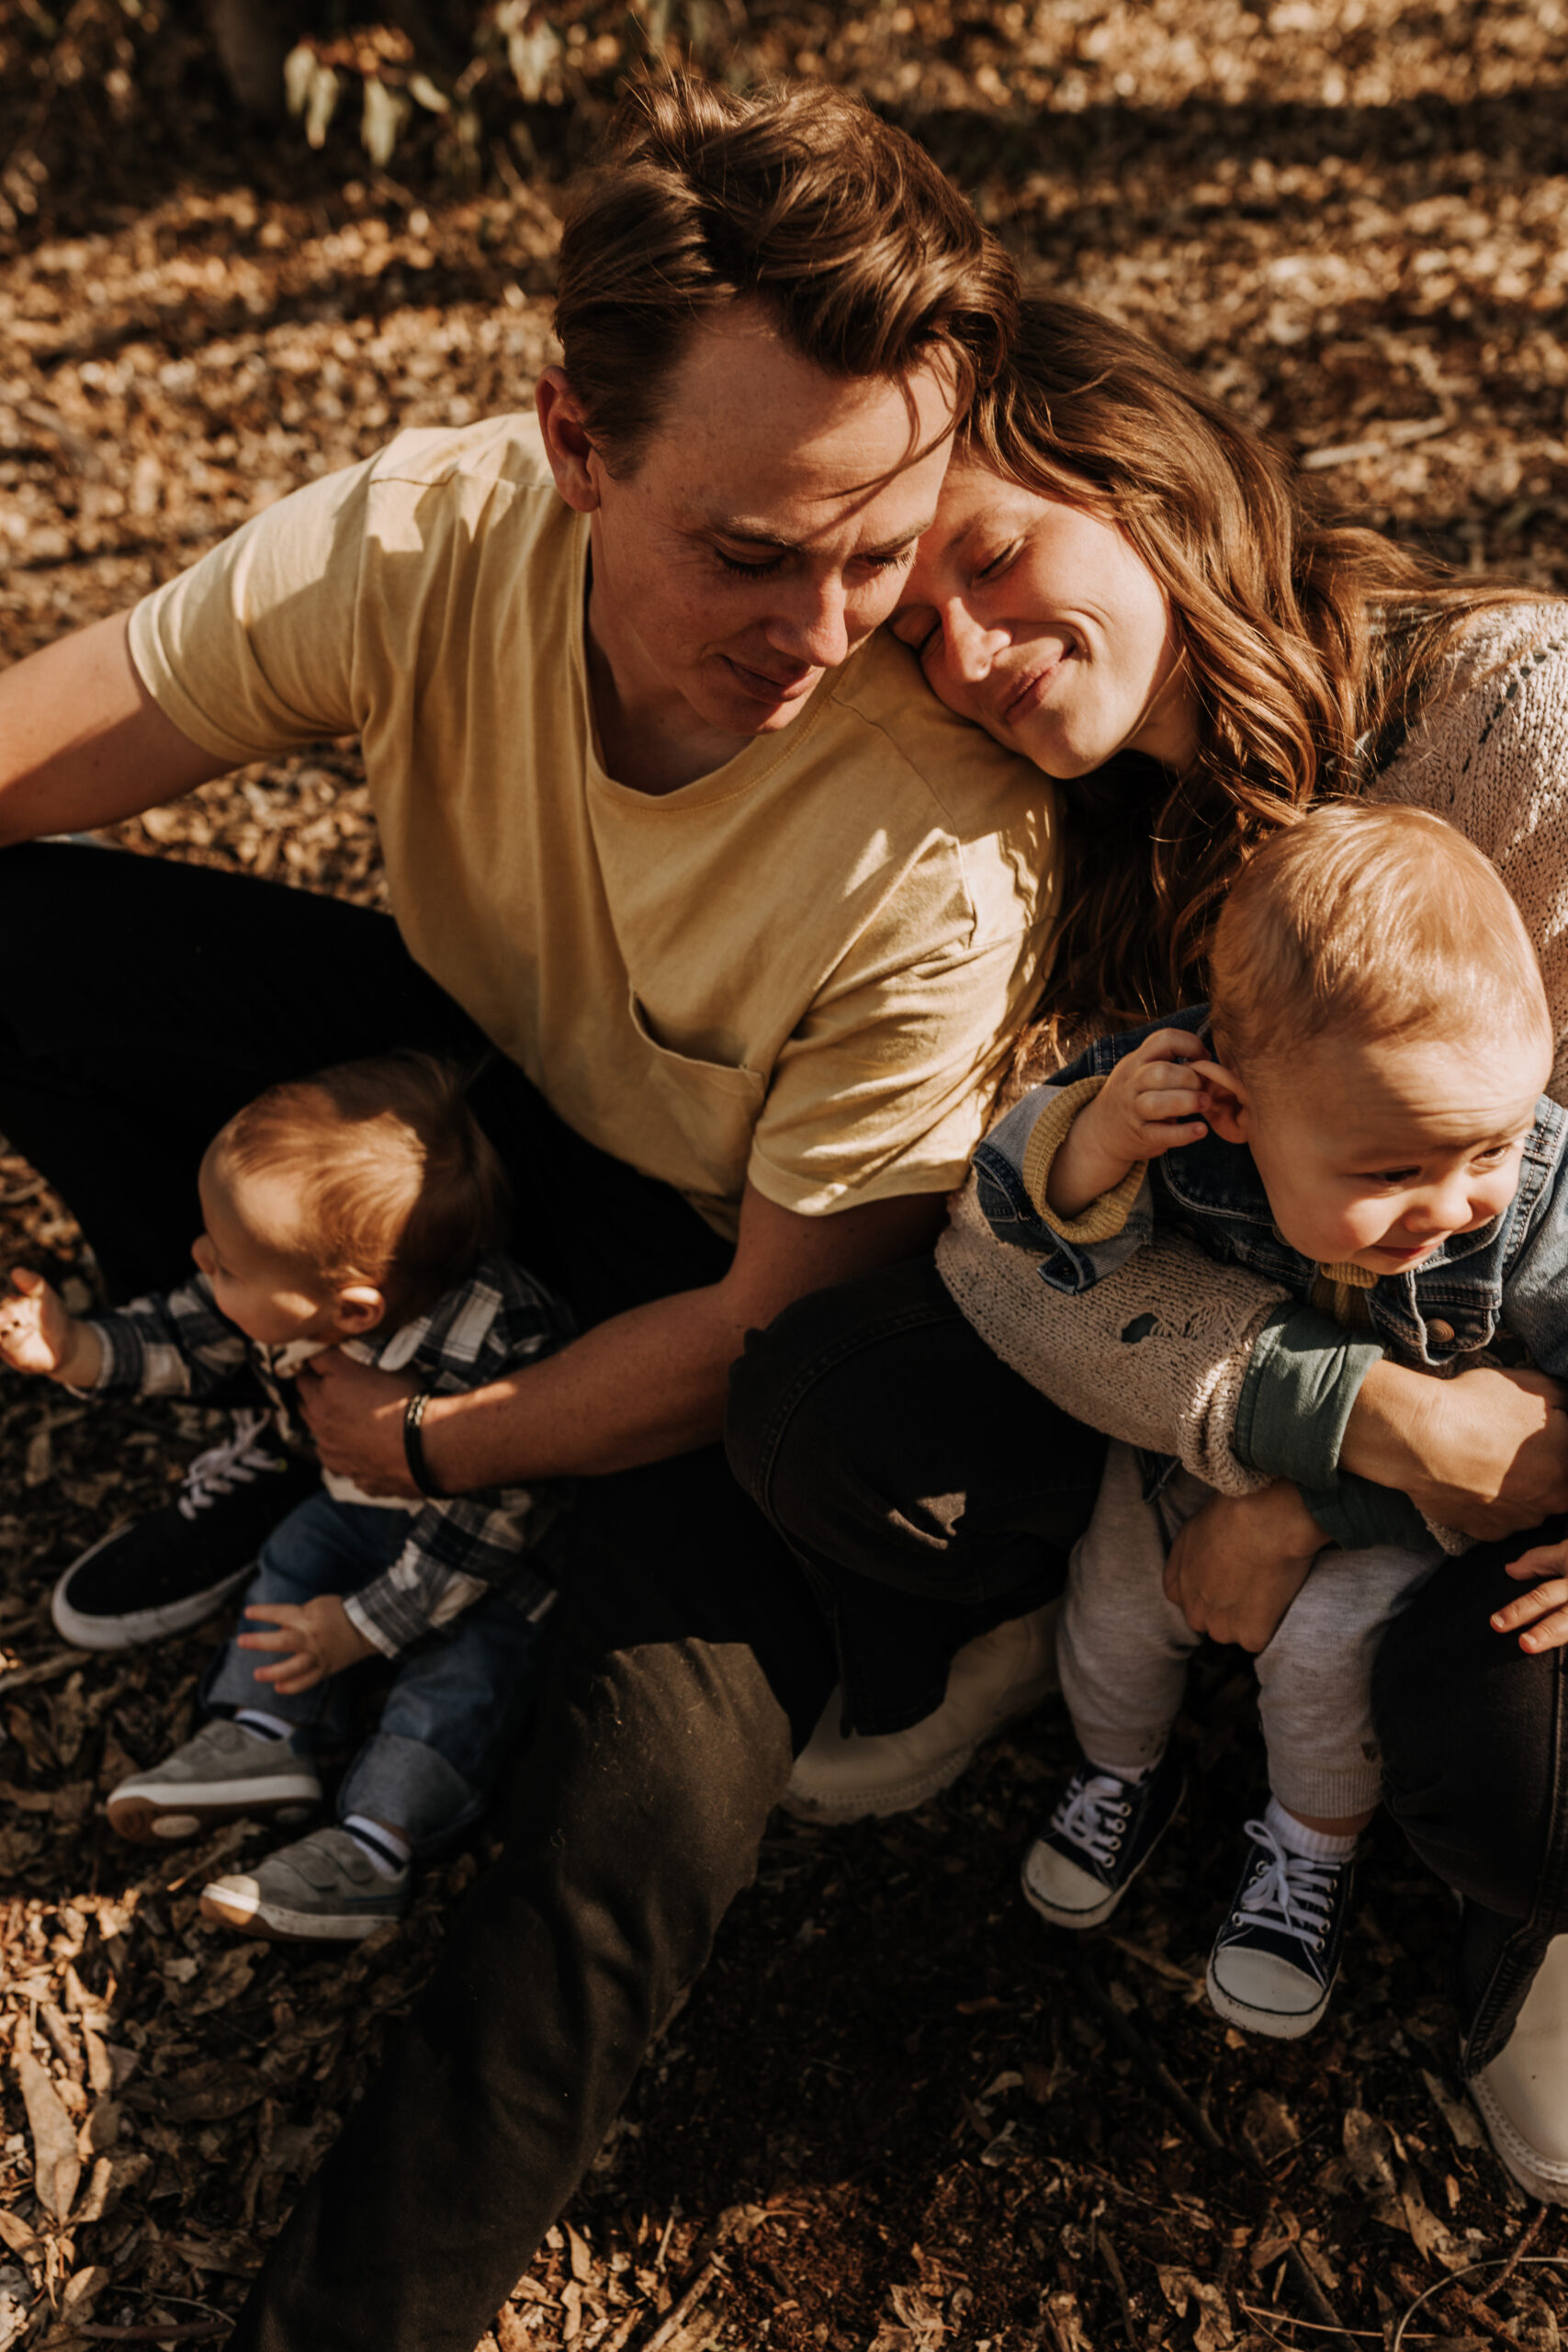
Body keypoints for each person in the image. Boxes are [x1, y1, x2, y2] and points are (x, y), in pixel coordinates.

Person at [0, 74, 1086, 2352]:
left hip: (709, 1297)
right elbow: (35, 740)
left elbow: (757, 1334)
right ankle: (234, 1340)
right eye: (749, 548)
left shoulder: (935, 841)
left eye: (876, 548)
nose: (823, 628)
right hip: (461, 1087)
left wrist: (423, 1449)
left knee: (644, 1815)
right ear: (572, 447)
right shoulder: (429, 536)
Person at [728, 297, 1568, 2194]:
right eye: (915, 630)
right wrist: (1327, 1420)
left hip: (1538, 1386)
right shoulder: (1064, 849)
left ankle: (1526, 1907)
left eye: (994, 558)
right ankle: (1058, 1639)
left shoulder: (1519, 725)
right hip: (1291, 1409)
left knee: (1526, 1752)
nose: (970, 653)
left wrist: (1388, 1472)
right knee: (833, 1394)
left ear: (1144, 477)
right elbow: (1012, 1249)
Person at [977, 803, 1568, 2040]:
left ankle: (1307, 1851)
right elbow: (1013, 1212)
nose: (1452, 1206)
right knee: (1115, 1599)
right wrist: (1088, 1142)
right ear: (1239, 1113)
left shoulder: (1529, 1195)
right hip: (1195, 1446)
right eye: (1387, 1173)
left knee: (1325, 1660)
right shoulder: (1172, 1107)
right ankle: (1118, 1767)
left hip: (1401, 1502)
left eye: (1486, 1147)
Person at [0, 1053, 570, 1939]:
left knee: (460, 1676)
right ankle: (264, 1736)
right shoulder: (294, 1287)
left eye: (222, 1262)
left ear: (350, 1312)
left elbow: (489, 1527)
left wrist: (361, 1627)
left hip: (493, 1569)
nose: (199, 1260)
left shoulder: (493, 1337)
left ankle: (376, 1843)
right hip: (360, 1510)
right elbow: (184, 1334)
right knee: (300, 1550)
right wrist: (74, 1348)